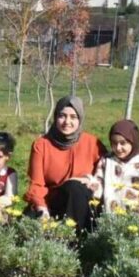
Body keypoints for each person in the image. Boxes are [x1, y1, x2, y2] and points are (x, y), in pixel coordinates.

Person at [26, 95, 106, 230]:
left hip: (84, 204)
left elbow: (105, 175)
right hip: (53, 204)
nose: (67, 122)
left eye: (73, 117)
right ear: (55, 116)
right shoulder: (41, 145)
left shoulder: (93, 143)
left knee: (75, 187)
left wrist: (91, 180)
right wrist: (42, 209)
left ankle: (77, 239)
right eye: (62, 116)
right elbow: (36, 183)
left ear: (80, 119)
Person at [89, 119, 139, 216]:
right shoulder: (107, 162)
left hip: (137, 218)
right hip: (108, 218)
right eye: (114, 143)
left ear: (133, 141)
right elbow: (98, 184)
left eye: (123, 143)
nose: (118, 148)